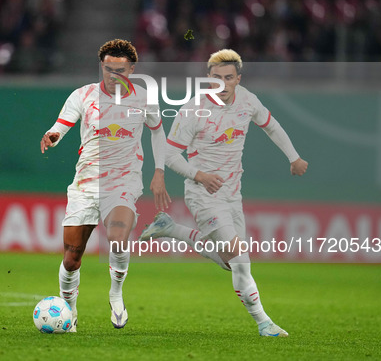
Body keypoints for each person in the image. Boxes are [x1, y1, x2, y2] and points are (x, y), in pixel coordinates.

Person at [139, 49, 308, 337]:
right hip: (202, 194)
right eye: (216, 78)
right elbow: (169, 154)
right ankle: (264, 323)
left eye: (228, 78)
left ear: (237, 79)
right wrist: (199, 175)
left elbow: (271, 126)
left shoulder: (247, 100)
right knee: (241, 261)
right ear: (208, 79)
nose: (222, 84)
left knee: (231, 263)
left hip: (233, 194)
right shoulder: (193, 110)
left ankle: (172, 229)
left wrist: (293, 157)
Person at [40, 39, 171, 331]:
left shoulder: (144, 98)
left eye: (121, 70)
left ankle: (116, 292)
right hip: (86, 182)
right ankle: (69, 310)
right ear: (102, 66)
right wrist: (52, 135)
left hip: (123, 180)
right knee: (72, 257)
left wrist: (159, 171)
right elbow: (62, 125)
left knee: (119, 236)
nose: (114, 75)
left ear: (132, 69)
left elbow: (158, 133)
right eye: (109, 69)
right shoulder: (83, 95)